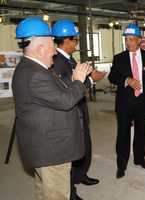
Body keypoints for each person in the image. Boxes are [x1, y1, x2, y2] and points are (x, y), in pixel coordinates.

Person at [12, 17, 92, 200]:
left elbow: (54, 97)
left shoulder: (32, 69)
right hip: (51, 152)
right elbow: (65, 101)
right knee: (56, 195)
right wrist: (78, 81)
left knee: (45, 192)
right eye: (51, 47)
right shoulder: (34, 75)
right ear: (39, 48)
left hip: (43, 148)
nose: (55, 53)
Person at [51, 19, 106, 200]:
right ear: (67, 40)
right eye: (75, 40)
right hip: (71, 114)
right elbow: (68, 88)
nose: (76, 44)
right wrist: (91, 80)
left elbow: (76, 79)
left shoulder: (68, 58)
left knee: (84, 146)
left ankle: (80, 175)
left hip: (79, 111)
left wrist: (88, 75)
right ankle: (70, 191)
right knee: (71, 152)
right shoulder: (57, 62)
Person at [108, 23, 145, 179]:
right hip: (125, 103)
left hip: (143, 102)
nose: (128, 43)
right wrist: (127, 80)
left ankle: (140, 159)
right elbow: (112, 77)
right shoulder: (119, 58)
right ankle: (122, 164)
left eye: (132, 39)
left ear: (139, 40)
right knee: (123, 134)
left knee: (141, 132)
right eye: (126, 39)